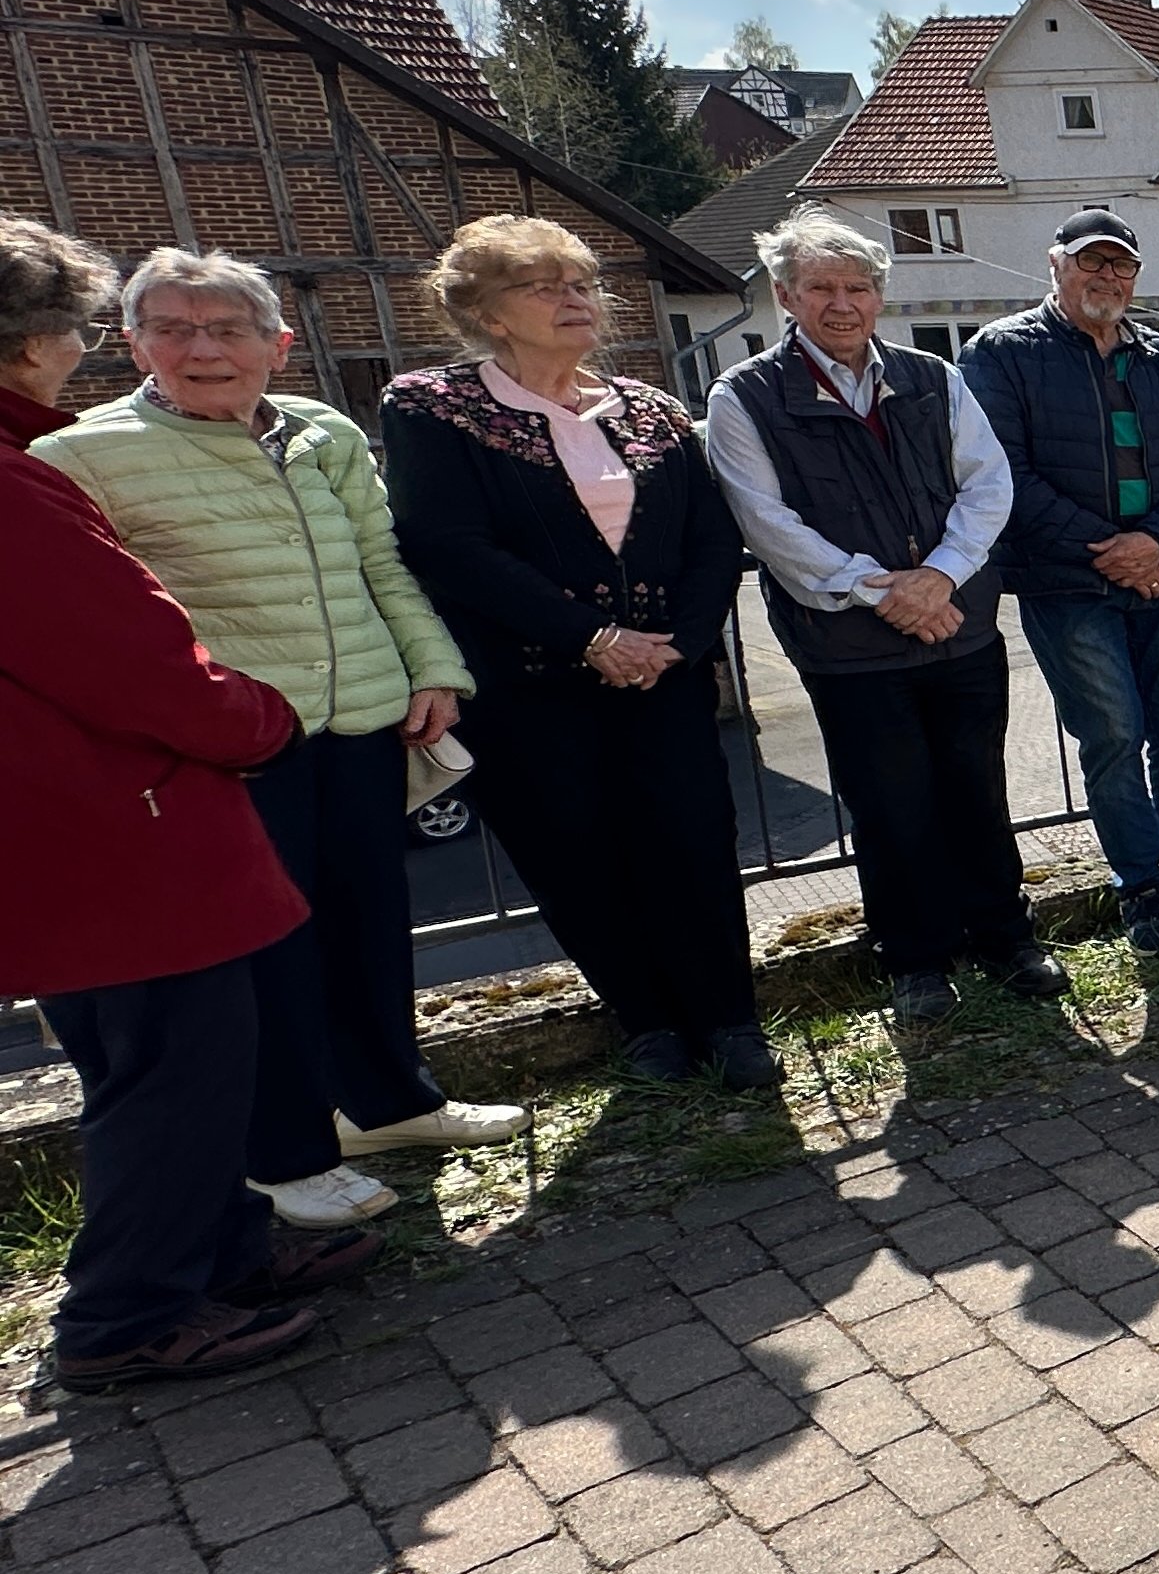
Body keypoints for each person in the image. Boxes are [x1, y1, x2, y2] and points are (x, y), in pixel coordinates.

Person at [38, 247, 530, 1234]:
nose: (203, 349)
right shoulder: (82, 456)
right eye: (173, 329)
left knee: (369, 923)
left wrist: (432, 667)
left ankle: (390, 1102)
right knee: (268, 956)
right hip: (234, 744)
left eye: (227, 328)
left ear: (278, 343)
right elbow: (111, 625)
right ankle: (288, 1154)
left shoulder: (322, 431)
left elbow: (381, 563)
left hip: (365, 719)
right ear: (132, 342)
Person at [0, 216, 376, 1392]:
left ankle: (221, 1254)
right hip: (115, 832)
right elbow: (138, 662)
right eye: (79, 327)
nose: (78, 348)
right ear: (34, 339)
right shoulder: (14, 485)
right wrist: (261, 720)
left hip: (96, 825)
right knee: (169, 1074)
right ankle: (126, 1315)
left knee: (195, 1063)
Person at [380, 217, 772, 1090]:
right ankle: (648, 1023)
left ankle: (731, 1020)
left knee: (696, 845)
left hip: (662, 678)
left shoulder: (652, 408)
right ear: (487, 313)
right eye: (543, 285)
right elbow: (447, 545)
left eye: (582, 283)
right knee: (574, 855)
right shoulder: (432, 406)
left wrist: (681, 643)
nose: (574, 299)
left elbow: (712, 538)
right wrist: (590, 636)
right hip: (529, 689)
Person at [706, 211, 1062, 1023]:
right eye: (821, 288)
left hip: (959, 626)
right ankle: (915, 959)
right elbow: (767, 523)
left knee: (978, 791)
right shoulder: (745, 396)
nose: (843, 304)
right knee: (888, 806)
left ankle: (1005, 936)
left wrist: (939, 576)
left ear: (878, 296)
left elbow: (987, 483)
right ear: (785, 295)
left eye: (858, 287)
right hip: (848, 643)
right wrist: (884, 592)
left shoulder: (929, 375)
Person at [963, 211, 1159, 953]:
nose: (1108, 277)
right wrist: (1109, 552)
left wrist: (1156, 543)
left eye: (1122, 265)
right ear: (1055, 264)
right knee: (1112, 737)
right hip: (1068, 586)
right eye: (1092, 262)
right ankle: (1141, 887)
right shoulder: (1001, 352)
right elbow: (1003, 472)